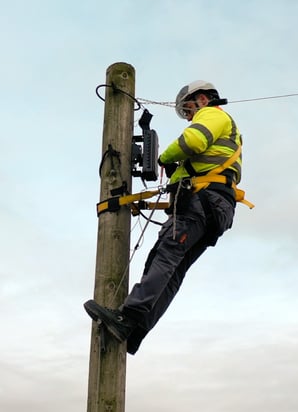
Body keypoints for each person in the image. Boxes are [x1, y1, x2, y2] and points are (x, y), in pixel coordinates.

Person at [85, 80, 244, 354]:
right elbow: (201, 161)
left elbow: (193, 140)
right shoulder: (224, 132)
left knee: (166, 258)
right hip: (215, 208)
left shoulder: (213, 114)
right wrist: (177, 172)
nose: (189, 117)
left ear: (203, 99)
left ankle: (128, 318)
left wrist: (164, 159)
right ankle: (136, 331)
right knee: (173, 270)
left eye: (189, 110)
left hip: (202, 203)